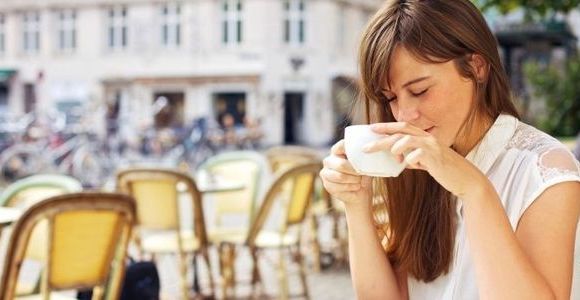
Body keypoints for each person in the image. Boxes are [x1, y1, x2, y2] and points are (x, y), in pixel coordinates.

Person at [319, 1, 580, 299]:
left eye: (420, 91)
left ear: (476, 67)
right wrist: (355, 204)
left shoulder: (545, 172)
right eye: (390, 97)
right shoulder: (415, 167)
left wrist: (474, 189)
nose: (404, 115)